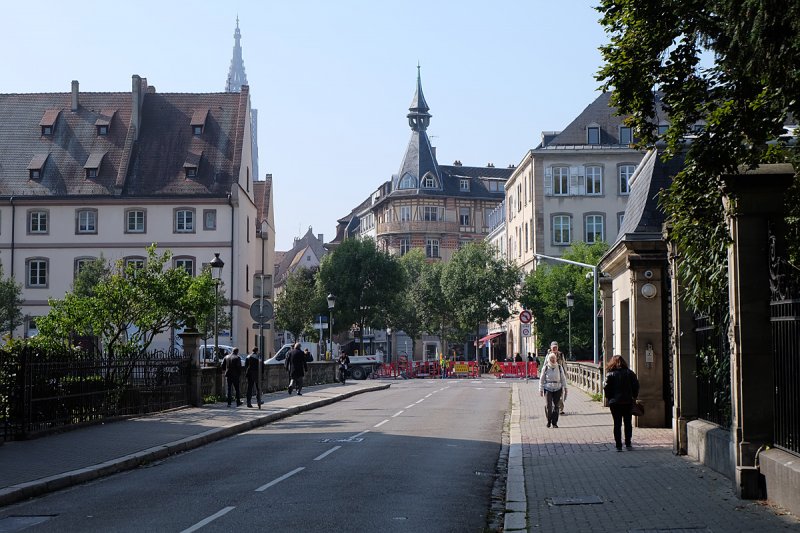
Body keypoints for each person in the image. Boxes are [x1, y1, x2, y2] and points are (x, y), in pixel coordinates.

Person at [603, 354, 640, 451]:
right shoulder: (630, 373)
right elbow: (636, 386)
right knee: (628, 423)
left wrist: (609, 398)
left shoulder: (610, 374)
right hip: (627, 401)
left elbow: (606, 388)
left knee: (617, 423)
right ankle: (628, 443)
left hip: (615, 402)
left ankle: (618, 445)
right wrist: (634, 397)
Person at [539, 352, 568, 428]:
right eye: (551, 359)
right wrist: (541, 389)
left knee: (556, 406)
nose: (553, 360)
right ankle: (549, 420)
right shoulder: (545, 367)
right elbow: (541, 379)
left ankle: (554, 423)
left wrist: (565, 388)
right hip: (548, 388)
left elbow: (563, 378)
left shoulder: (559, 367)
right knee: (548, 405)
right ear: (549, 359)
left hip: (558, 388)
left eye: (554, 358)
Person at [547, 341, 567, 415]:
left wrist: (565, 375)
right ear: (551, 348)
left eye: (556, 347)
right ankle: (554, 408)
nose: (555, 348)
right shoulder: (548, 355)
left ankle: (560, 409)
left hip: (560, 376)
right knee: (551, 394)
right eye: (553, 347)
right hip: (551, 377)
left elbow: (564, 364)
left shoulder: (561, 355)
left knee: (560, 394)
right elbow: (545, 365)